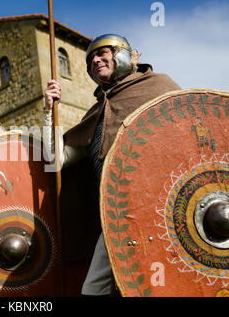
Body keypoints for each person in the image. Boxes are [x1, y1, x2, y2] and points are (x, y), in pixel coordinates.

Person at [43, 34, 181, 296]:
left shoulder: (158, 87)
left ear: (122, 55)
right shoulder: (96, 113)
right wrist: (49, 111)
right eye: (90, 59)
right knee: (95, 288)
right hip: (118, 215)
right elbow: (54, 161)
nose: (95, 60)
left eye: (102, 53)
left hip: (168, 206)